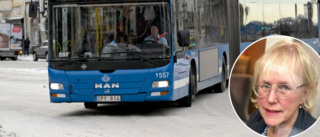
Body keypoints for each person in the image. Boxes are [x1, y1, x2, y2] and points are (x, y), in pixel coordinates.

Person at [247, 38, 319, 136]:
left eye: (284, 87)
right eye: (265, 85)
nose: (271, 99)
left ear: (304, 94)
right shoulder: (256, 117)